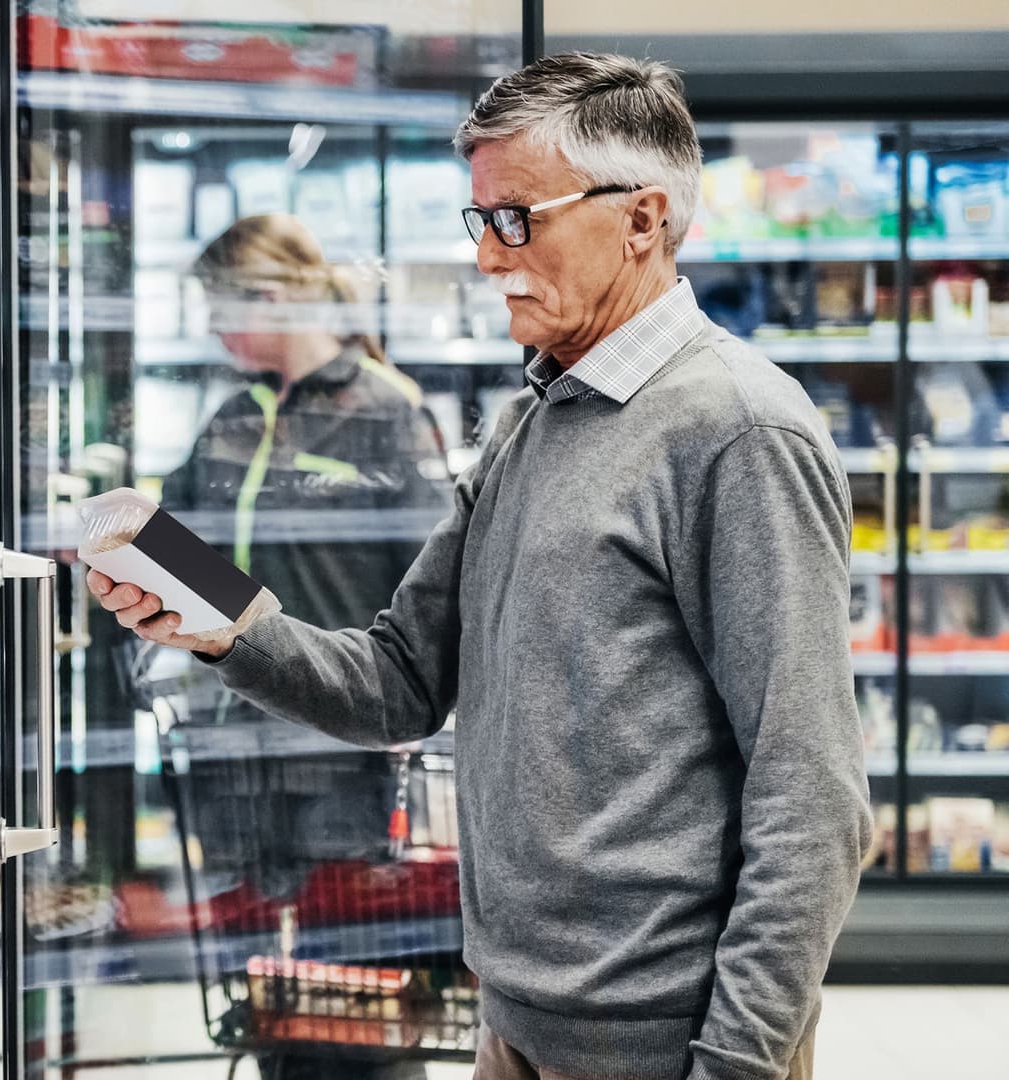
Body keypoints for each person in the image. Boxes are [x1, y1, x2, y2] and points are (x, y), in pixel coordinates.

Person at [91, 54, 870, 1080]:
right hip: (513, 1020)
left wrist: (736, 1058)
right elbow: (400, 684)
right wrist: (219, 621)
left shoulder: (741, 431)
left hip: (660, 1044)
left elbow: (811, 792)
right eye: (479, 221)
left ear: (641, 220)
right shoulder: (529, 421)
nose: (489, 256)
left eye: (518, 218)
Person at [156, 213, 453, 907]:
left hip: (335, 746)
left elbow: (431, 580)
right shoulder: (233, 417)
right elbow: (173, 531)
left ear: (272, 298)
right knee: (247, 972)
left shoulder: (383, 412)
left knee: (336, 979)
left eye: (218, 306)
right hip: (229, 748)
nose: (210, 328)